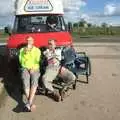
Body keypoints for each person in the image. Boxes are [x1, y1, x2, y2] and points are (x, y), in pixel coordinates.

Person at [19, 36, 41, 112]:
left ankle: (28, 103)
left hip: (34, 68)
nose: (29, 41)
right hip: (25, 68)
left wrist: (32, 67)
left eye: (30, 40)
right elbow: (21, 61)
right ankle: (30, 103)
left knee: (34, 81)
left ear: (33, 41)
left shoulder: (37, 50)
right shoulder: (22, 50)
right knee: (25, 81)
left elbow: (37, 61)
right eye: (27, 40)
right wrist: (25, 53)